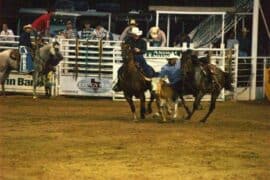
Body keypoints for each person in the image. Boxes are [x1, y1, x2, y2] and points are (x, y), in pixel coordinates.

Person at [113, 27, 155, 92]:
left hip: (139, 57)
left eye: (136, 35)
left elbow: (144, 50)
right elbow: (124, 47)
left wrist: (139, 50)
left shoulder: (142, 41)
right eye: (134, 35)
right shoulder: (128, 40)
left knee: (147, 69)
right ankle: (119, 84)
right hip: (130, 57)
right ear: (133, 35)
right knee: (120, 70)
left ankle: (149, 83)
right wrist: (128, 49)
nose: (135, 36)